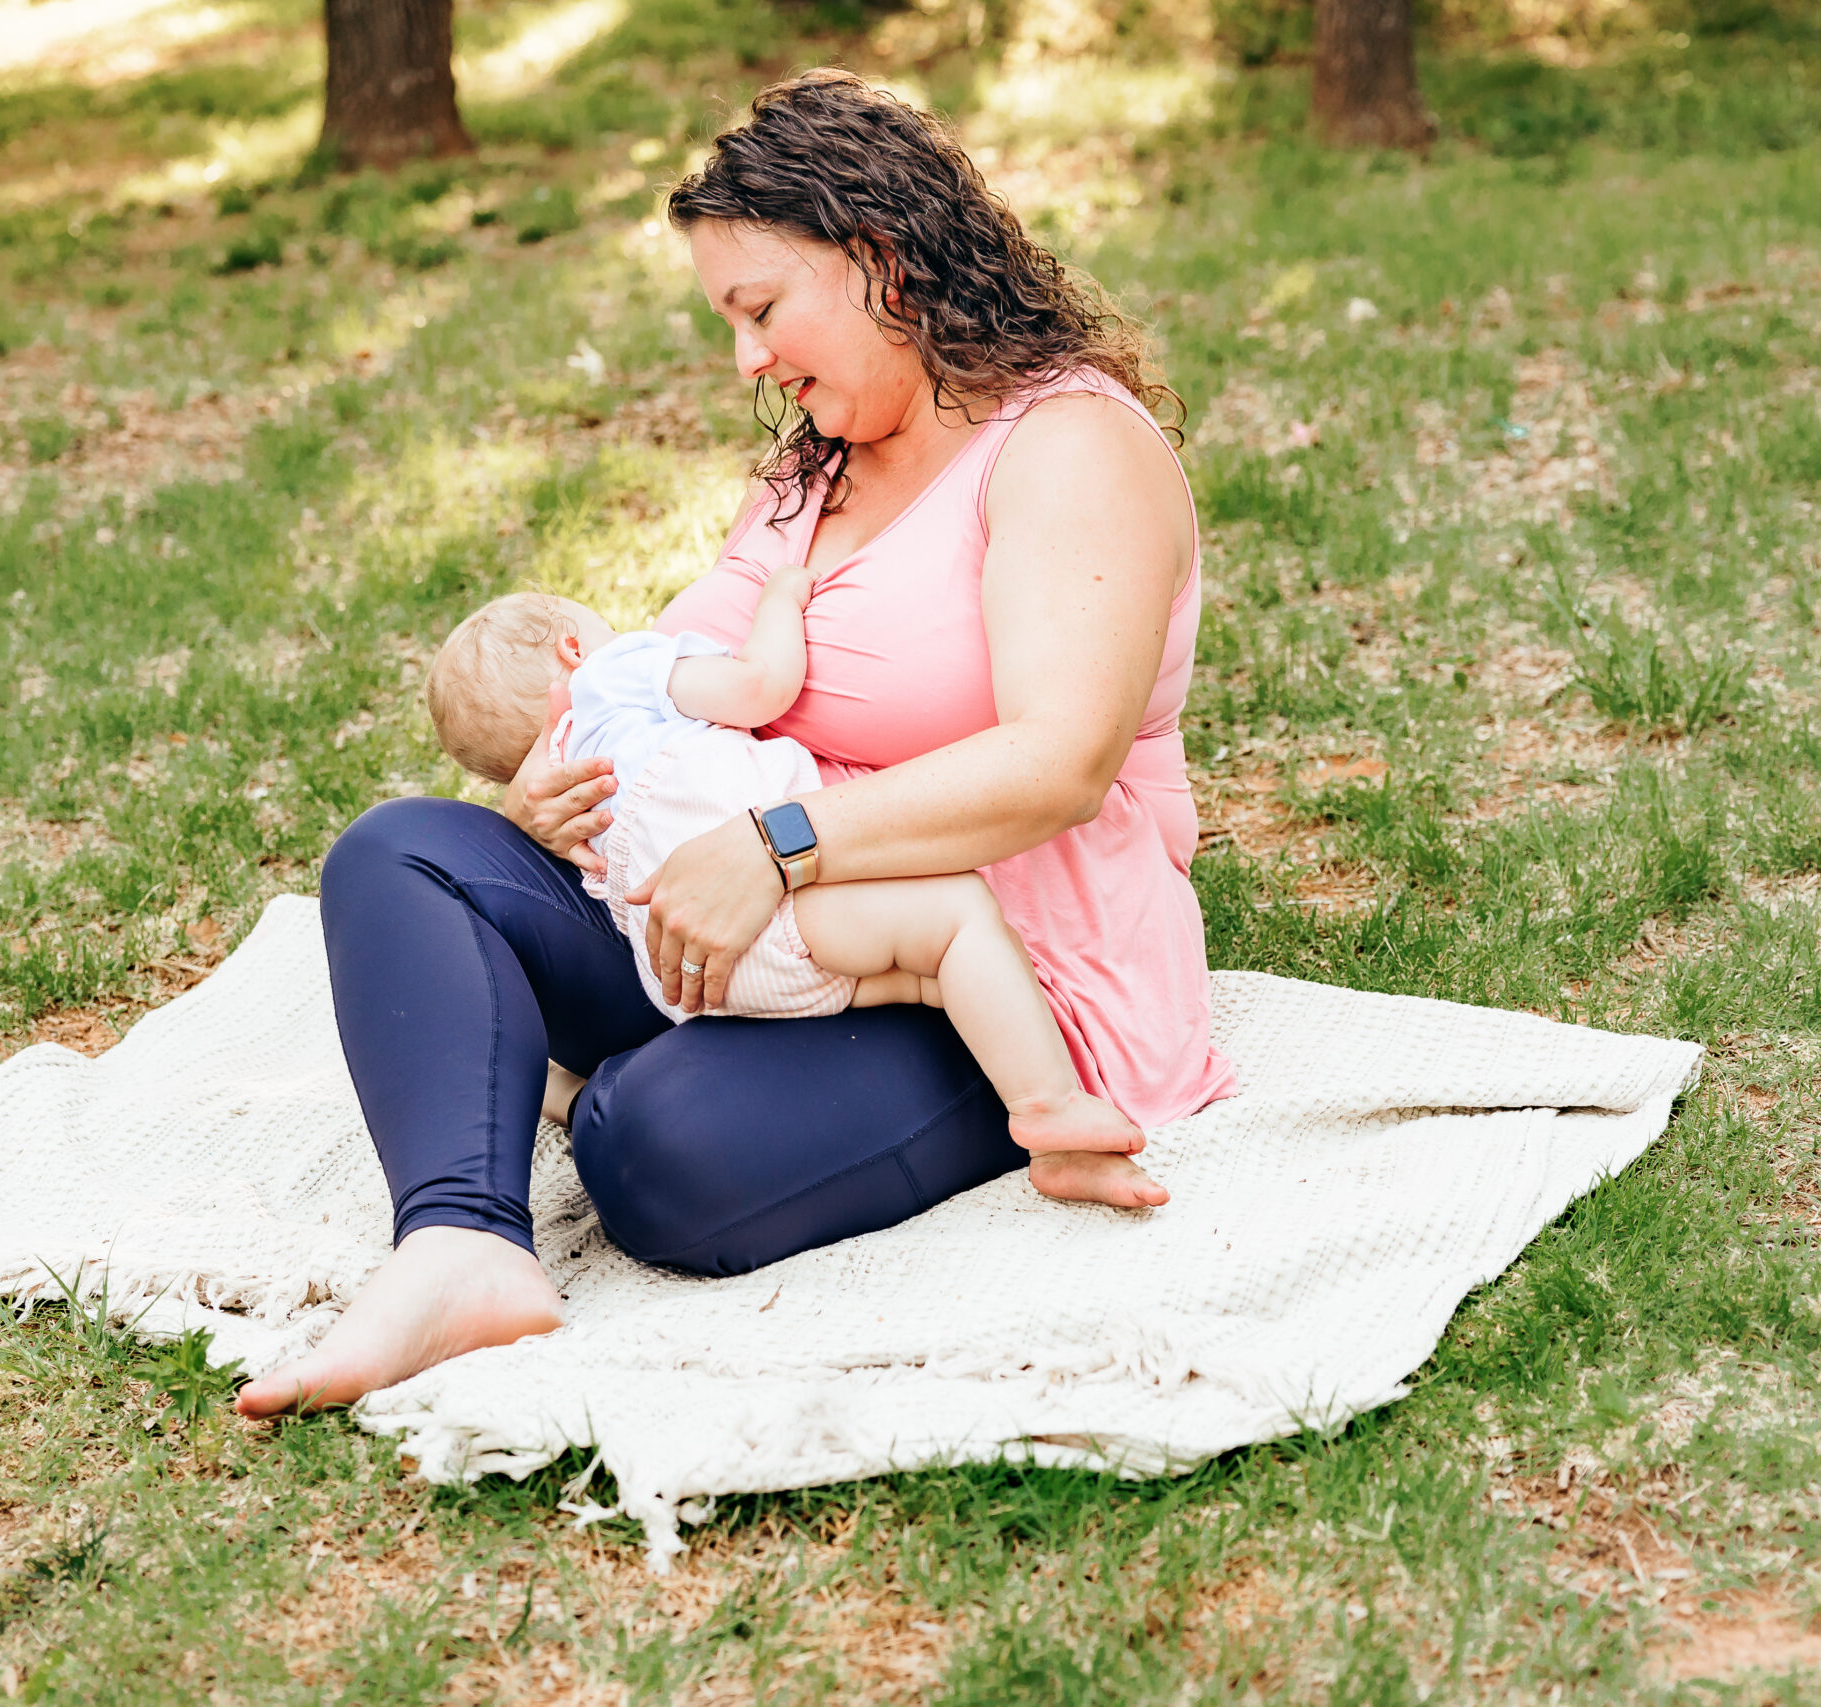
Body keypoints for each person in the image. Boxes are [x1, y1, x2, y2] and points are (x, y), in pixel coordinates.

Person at [235, 69, 1235, 1419]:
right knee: (403, 851)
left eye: (760, 310)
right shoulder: (814, 467)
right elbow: (676, 676)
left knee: (649, 1148)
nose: (747, 359)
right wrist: (566, 786)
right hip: (745, 925)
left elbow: (1057, 760)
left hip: (982, 958)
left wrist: (779, 844)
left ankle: (592, 1077)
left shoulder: (1064, 448)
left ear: (880, 256)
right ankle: (462, 1242)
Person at [420, 580, 1165, 1197]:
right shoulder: (613, 675)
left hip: (687, 970)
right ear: (572, 649)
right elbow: (758, 686)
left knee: (921, 973)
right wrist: (780, 602)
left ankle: (561, 1090)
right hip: (763, 903)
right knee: (961, 920)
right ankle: (1049, 1111)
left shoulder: (554, 790)